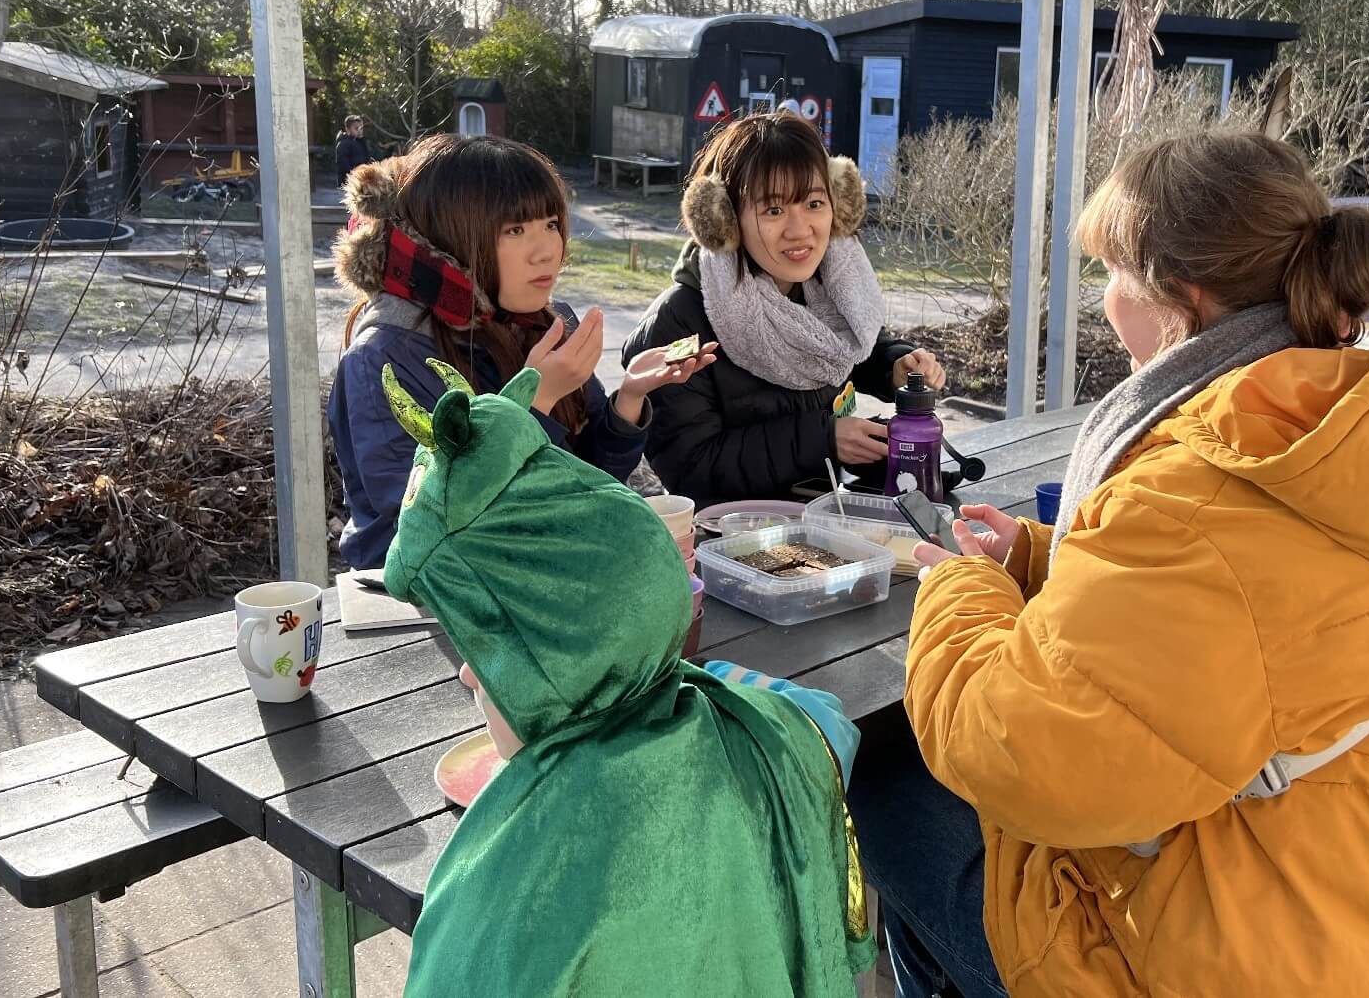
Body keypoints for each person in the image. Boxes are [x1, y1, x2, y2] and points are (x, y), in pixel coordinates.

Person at [849, 132, 1369, 998]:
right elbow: (1256, 623)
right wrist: (1049, 559)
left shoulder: (1195, 492)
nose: (1105, 301)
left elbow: (1023, 751)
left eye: (1112, 275)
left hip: (1249, 952)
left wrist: (958, 587)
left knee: (890, 779)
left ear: (1179, 297)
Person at [380, 360, 878, 996]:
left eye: (486, 641)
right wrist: (657, 661)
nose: (469, 675)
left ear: (560, 651)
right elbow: (817, 717)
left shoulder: (519, 892)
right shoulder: (767, 734)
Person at [328, 134, 714, 569]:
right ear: (447, 242)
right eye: (514, 230)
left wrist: (628, 401)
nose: (547, 250)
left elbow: (584, 483)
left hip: (541, 580)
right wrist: (534, 404)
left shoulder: (541, 323)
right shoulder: (383, 358)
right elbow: (432, 527)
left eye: (551, 224)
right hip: (416, 608)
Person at [622, 112, 944, 503]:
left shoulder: (826, 284)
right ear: (723, 219)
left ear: (838, 203)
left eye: (813, 203)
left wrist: (895, 364)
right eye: (773, 210)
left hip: (824, 522)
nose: (800, 229)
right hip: (729, 544)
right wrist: (822, 440)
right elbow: (690, 469)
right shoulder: (678, 323)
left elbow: (850, 350)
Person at [334, 114, 370, 186]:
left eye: (361, 128)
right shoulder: (344, 143)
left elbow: (367, 157)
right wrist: (352, 173)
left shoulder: (361, 142)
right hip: (347, 182)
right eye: (356, 128)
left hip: (360, 180)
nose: (360, 131)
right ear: (348, 129)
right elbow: (343, 162)